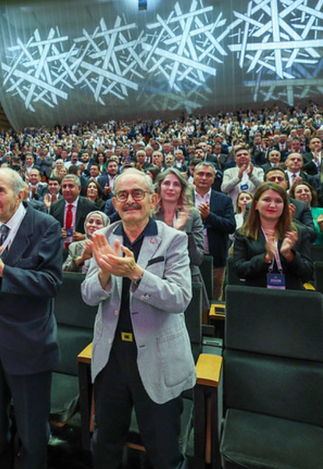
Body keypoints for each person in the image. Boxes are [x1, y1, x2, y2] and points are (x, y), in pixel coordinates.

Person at [81, 168, 195, 469]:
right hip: (111, 356)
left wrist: (136, 274)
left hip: (159, 355)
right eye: (122, 195)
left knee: (164, 451)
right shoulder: (103, 237)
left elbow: (180, 298)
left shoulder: (174, 240)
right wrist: (104, 272)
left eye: (137, 194)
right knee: (105, 445)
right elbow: (88, 296)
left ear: (153, 199)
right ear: (115, 203)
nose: (130, 200)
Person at [0, 167, 62, 469]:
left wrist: (3, 271)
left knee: (32, 428)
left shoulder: (46, 226)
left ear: (21, 194)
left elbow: (51, 283)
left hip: (27, 339)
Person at [232, 182, 313, 289]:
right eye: (267, 200)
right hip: (256, 296)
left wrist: (289, 255)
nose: (272, 205)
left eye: (278, 201)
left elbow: (308, 274)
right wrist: (265, 258)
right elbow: (239, 271)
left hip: (291, 296)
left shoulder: (299, 232)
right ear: (255, 205)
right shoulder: (243, 233)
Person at [153, 168, 205, 306]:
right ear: (159, 187)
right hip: (154, 279)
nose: (171, 188)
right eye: (166, 183)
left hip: (187, 279)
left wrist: (183, 232)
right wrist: (175, 231)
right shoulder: (149, 215)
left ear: (182, 189)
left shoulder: (192, 215)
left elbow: (197, 258)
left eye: (176, 184)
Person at [192, 162, 237, 300]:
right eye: (200, 174)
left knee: (213, 296)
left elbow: (230, 226)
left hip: (215, 258)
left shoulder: (224, 200)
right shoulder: (184, 197)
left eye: (208, 175)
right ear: (193, 176)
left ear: (213, 178)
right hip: (188, 258)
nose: (204, 178)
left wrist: (209, 217)